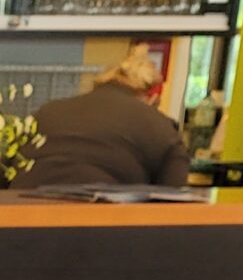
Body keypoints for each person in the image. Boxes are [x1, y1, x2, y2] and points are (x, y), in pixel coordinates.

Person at [14, 45, 189, 193]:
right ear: (152, 99)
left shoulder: (46, 112)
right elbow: (173, 203)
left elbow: (0, 179)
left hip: (21, 212)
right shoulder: (161, 127)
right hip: (98, 217)